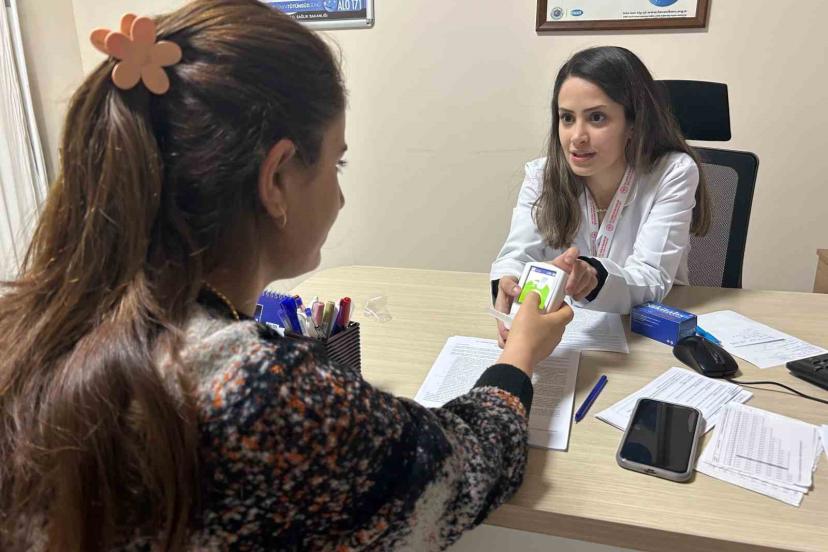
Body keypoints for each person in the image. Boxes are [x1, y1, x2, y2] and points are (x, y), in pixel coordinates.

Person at [0, 1, 572, 550]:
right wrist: (519, 355)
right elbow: (465, 470)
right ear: (275, 180)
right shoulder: (257, 397)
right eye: (336, 162)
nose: (340, 196)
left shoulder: (29, 333)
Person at [491, 46, 710, 345]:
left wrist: (593, 277)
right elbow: (517, 254)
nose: (577, 137)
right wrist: (508, 281)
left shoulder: (671, 172)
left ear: (633, 123)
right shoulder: (541, 175)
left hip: (646, 336)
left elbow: (652, 277)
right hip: (567, 333)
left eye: (596, 117)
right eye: (567, 118)